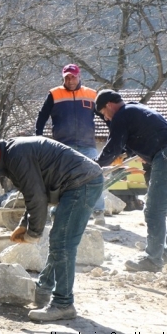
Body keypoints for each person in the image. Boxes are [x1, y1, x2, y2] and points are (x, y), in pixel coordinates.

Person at [0, 134, 103, 322]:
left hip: (81, 183)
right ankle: (42, 290)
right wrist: (24, 225)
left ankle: (63, 304)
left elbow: (38, 197)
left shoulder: (17, 155)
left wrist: (33, 233)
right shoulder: (13, 155)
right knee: (59, 240)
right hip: (75, 184)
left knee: (63, 242)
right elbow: (33, 193)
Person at [94, 89, 167, 272]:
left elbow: (113, 147)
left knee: (153, 210)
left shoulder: (122, 115)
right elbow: (138, 138)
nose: (106, 119)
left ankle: (152, 259)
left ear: (110, 105)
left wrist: (95, 166)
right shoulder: (136, 109)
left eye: (104, 113)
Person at [35, 64, 106, 225]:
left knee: (96, 176)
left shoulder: (91, 94)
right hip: (63, 146)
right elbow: (42, 116)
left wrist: (114, 130)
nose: (70, 80)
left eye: (73, 77)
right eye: (67, 77)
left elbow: (104, 115)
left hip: (87, 144)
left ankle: (98, 212)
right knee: (60, 179)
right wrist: (38, 135)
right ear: (63, 78)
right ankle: (56, 211)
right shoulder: (54, 94)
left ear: (79, 76)